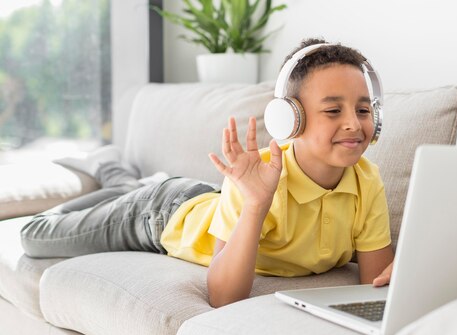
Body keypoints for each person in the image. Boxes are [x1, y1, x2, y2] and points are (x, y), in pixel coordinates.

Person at [21, 38, 394, 308]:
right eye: (333, 111)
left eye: (363, 111)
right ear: (288, 119)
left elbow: (373, 284)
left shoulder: (366, 179)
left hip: (203, 198)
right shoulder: (260, 178)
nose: (354, 124)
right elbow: (223, 296)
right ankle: (123, 179)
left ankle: (122, 180)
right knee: (35, 235)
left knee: (126, 191)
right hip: (161, 214)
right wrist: (256, 203)